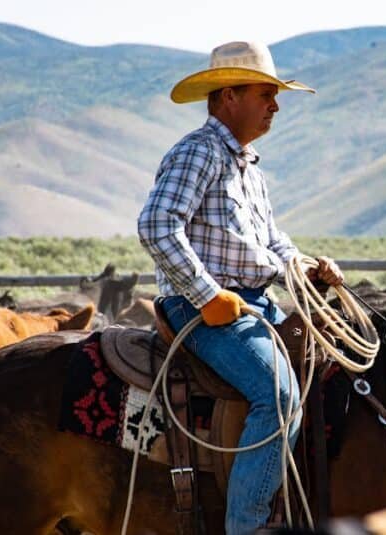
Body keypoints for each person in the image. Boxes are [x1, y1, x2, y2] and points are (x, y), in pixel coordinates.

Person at [137, 40, 344, 534]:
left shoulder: (249, 166)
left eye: (276, 95)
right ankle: (247, 526)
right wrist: (207, 294)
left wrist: (306, 265)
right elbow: (157, 225)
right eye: (265, 93)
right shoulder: (198, 152)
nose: (275, 105)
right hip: (200, 309)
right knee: (277, 397)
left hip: (252, 306)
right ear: (229, 96)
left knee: (333, 370)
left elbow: (272, 241)